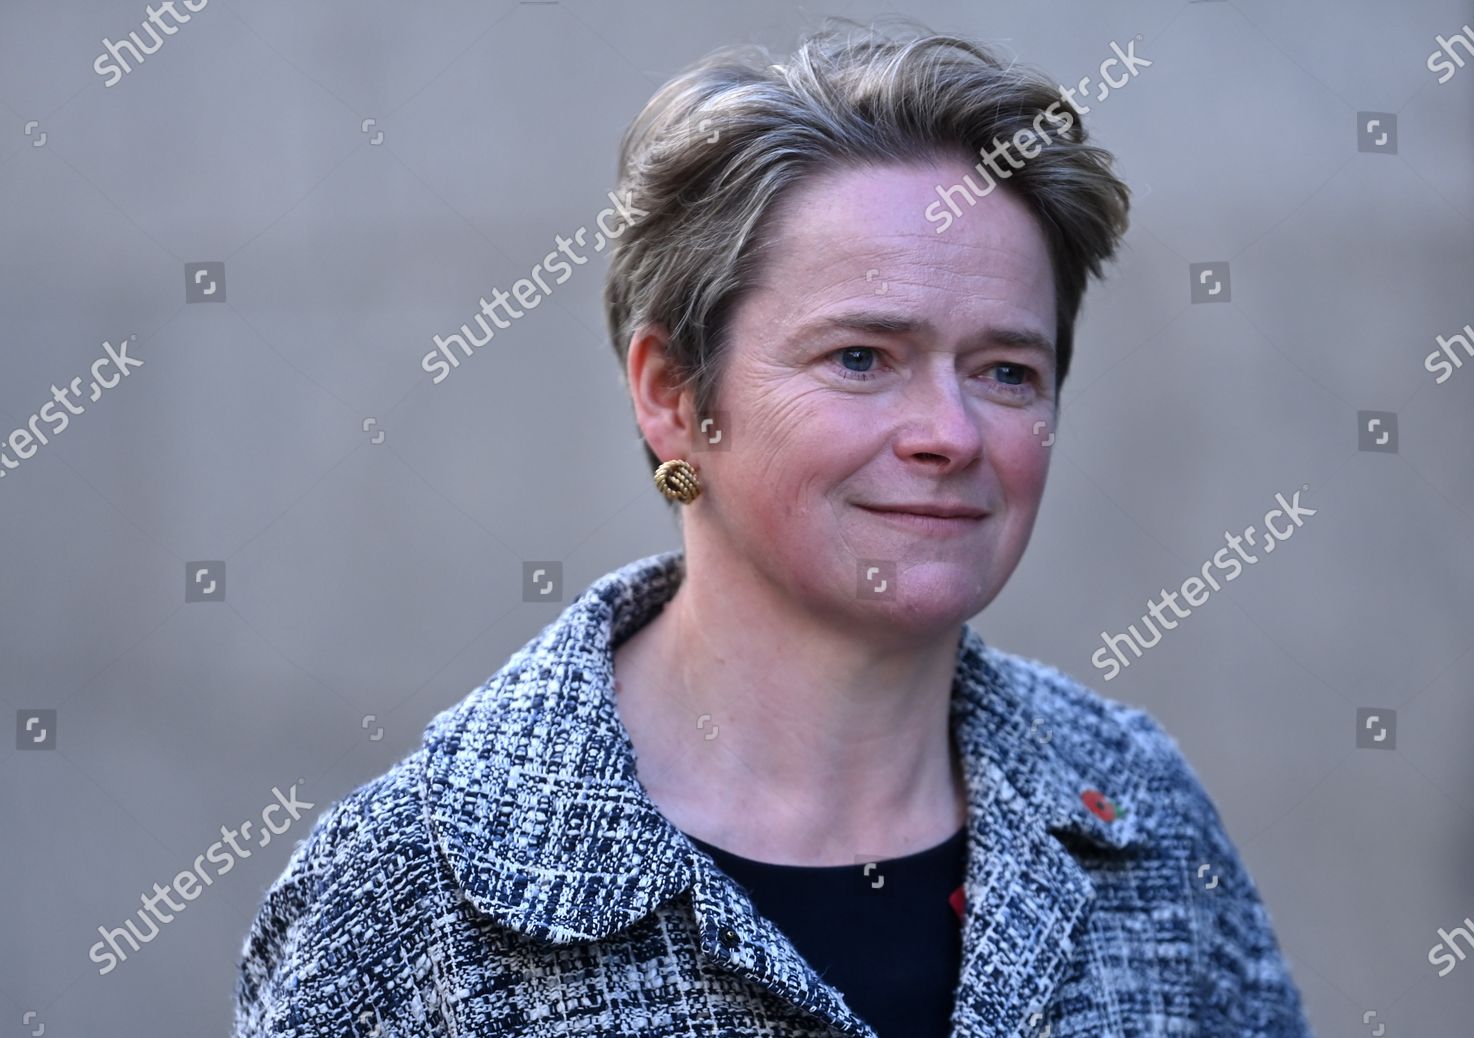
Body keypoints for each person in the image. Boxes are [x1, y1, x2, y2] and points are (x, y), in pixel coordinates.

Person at [233, 17, 1315, 1037]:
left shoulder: (1138, 814)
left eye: (1005, 370)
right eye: (860, 358)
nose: (951, 431)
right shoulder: (404, 890)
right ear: (670, 395)